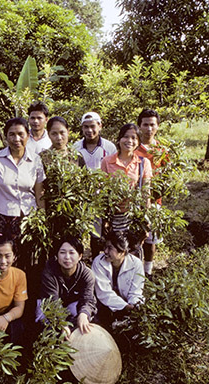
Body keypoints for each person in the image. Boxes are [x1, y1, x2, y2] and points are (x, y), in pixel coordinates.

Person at [0, 118, 45, 252]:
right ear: (6, 137)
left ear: (28, 136)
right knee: (4, 258)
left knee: (28, 257)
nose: (16, 139)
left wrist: (42, 221)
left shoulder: (36, 160)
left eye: (20, 134)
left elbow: (40, 194)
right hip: (2, 218)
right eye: (12, 134)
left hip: (29, 219)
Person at [73, 112, 117, 258]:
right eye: (86, 127)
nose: (89, 130)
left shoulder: (109, 147)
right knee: (79, 230)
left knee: (98, 233)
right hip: (81, 196)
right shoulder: (76, 147)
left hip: (101, 197)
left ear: (100, 126)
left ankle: (96, 260)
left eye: (92, 126)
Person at [36, 235, 96, 340]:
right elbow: (52, 301)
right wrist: (61, 323)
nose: (67, 257)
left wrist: (83, 314)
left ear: (80, 256)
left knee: (84, 319)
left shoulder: (87, 274)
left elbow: (87, 299)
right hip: (50, 304)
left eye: (72, 253)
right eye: (62, 252)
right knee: (47, 323)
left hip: (73, 305)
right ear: (57, 255)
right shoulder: (49, 272)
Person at [100, 123, 153, 234]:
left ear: (138, 142)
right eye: (125, 136)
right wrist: (105, 219)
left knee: (133, 249)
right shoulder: (107, 161)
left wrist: (145, 217)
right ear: (119, 139)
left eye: (134, 138)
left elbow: (146, 191)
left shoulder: (143, 163)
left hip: (134, 216)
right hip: (114, 216)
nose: (129, 140)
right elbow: (103, 192)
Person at [135, 109, 166, 276]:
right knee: (135, 237)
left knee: (151, 239)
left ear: (157, 126)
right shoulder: (133, 147)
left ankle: (148, 271)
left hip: (155, 201)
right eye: (145, 124)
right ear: (140, 126)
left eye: (152, 124)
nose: (148, 128)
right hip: (134, 201)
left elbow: (168, 174)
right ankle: (134, 270)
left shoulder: (163, 150)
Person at [92, 231, 145, 328]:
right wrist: (125, 307)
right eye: (106, 247)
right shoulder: (98, 262)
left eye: (110, 248)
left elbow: (136, 292)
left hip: (128, 305)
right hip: (104, 305)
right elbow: (104, 293)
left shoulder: (136, 264)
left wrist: (134, 307)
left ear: (123, 252)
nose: (106, 251)